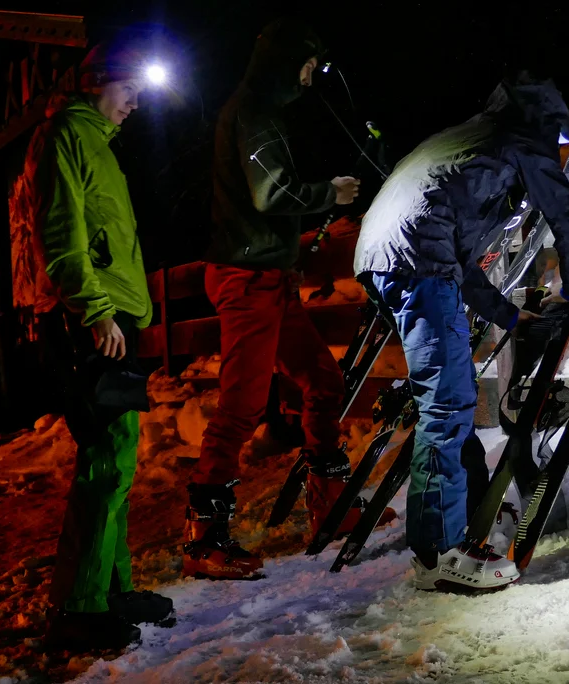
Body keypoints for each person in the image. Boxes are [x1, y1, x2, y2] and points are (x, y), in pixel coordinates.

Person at [354, 72, 569, 591]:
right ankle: (439, 553)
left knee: (445, 401)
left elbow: (462, 257)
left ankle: (452, 526)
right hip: (417, 257)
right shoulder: (525, 137)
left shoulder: (471, 138)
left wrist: (511, 317)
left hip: (386, 257)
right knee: (447, 404)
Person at [184, 18, 394, 581]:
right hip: (246, 279)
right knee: (241, 406)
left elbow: (267, 199)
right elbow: (270, 192)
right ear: (283, 63)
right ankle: (205, 536)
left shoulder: (261, 112)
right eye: (305, 65)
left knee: (324, 383)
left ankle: (331, 505)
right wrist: (332, 192)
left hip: (268, 279)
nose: (310, 77)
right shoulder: (252, 112)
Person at [22, 40, 173, 651]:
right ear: (98, 82)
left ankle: (110, 589)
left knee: (121, 465)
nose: (135, 103)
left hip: (117, 324)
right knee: (103, 464)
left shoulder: (99, 146)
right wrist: (96, 310)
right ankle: (76, 607)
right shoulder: (65, 136)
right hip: (97, 324)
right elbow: (63, 232)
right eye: (130, 89)